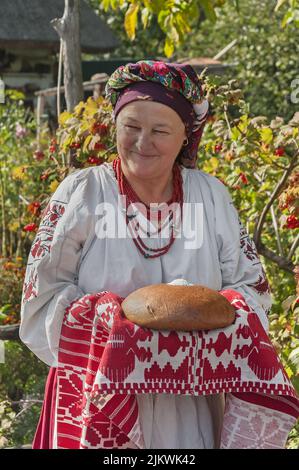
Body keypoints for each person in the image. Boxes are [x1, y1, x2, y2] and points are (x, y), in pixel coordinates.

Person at [19, 60, 298, 449]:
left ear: (185, 135)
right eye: (130, 127)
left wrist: (207, 328)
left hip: (195, 407)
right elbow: (40, 302)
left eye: (160, 131)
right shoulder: (84, 192)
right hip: (98, 402)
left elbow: (252, 288)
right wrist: (111, 325)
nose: (141, 142)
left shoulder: (211, 195)